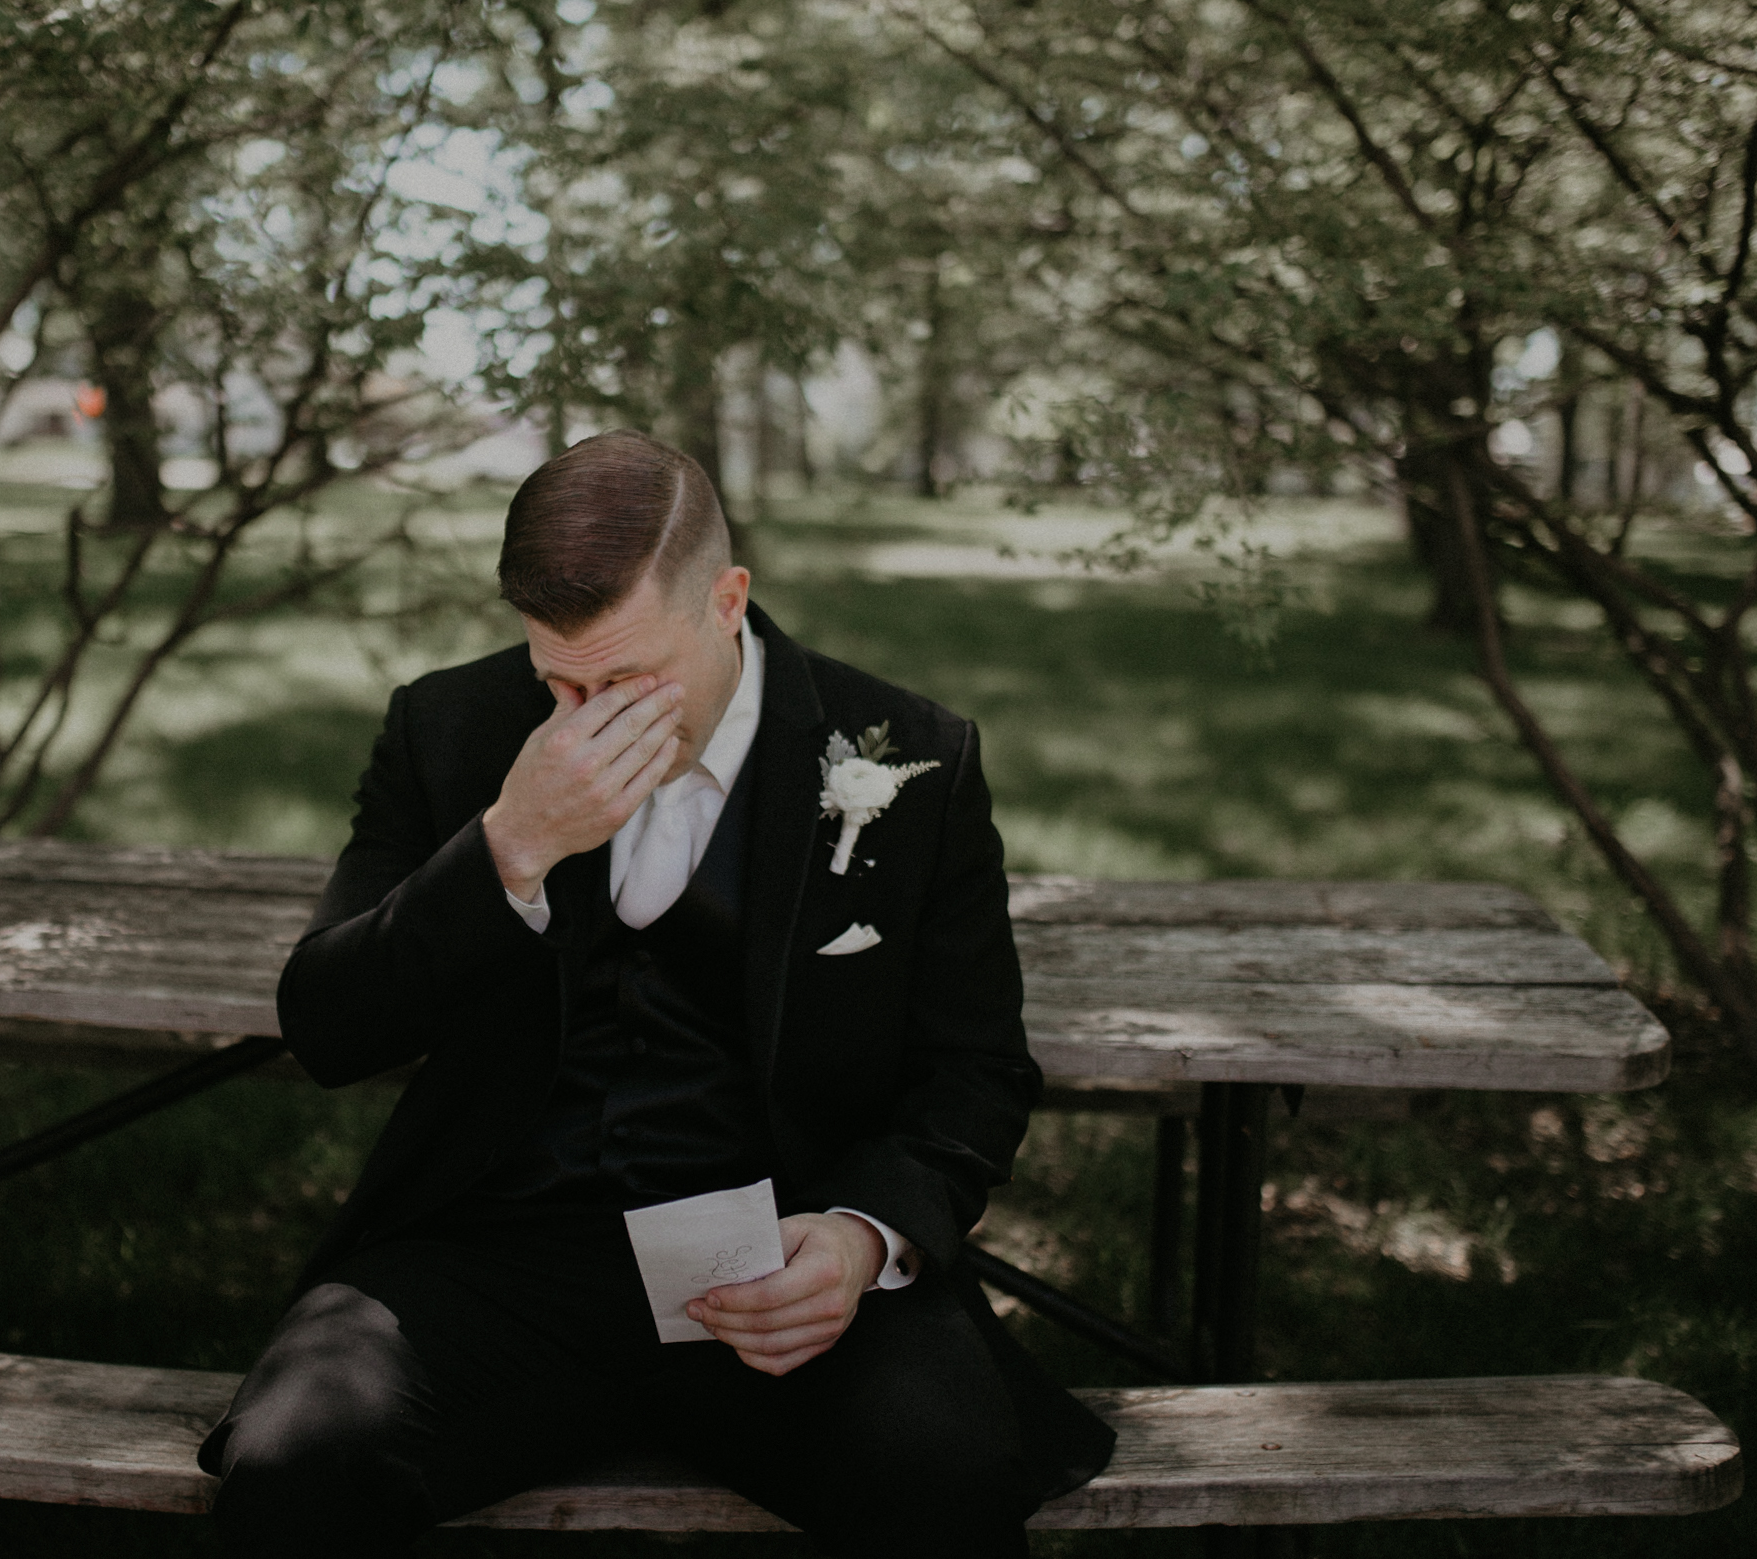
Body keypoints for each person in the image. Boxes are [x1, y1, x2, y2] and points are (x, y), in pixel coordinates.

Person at [199, 430, 1114, 1556]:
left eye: (627, 677)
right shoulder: (448, 728)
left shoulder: (911, 757)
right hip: (497, 1248)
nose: (585, 715)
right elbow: (327, 1025)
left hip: (775, 1250)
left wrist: (858, 1241)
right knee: (293, 1461)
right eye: (557, 678)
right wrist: (507, 847)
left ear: (727, 599)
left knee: (950, 1468)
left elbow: (975, 1069)